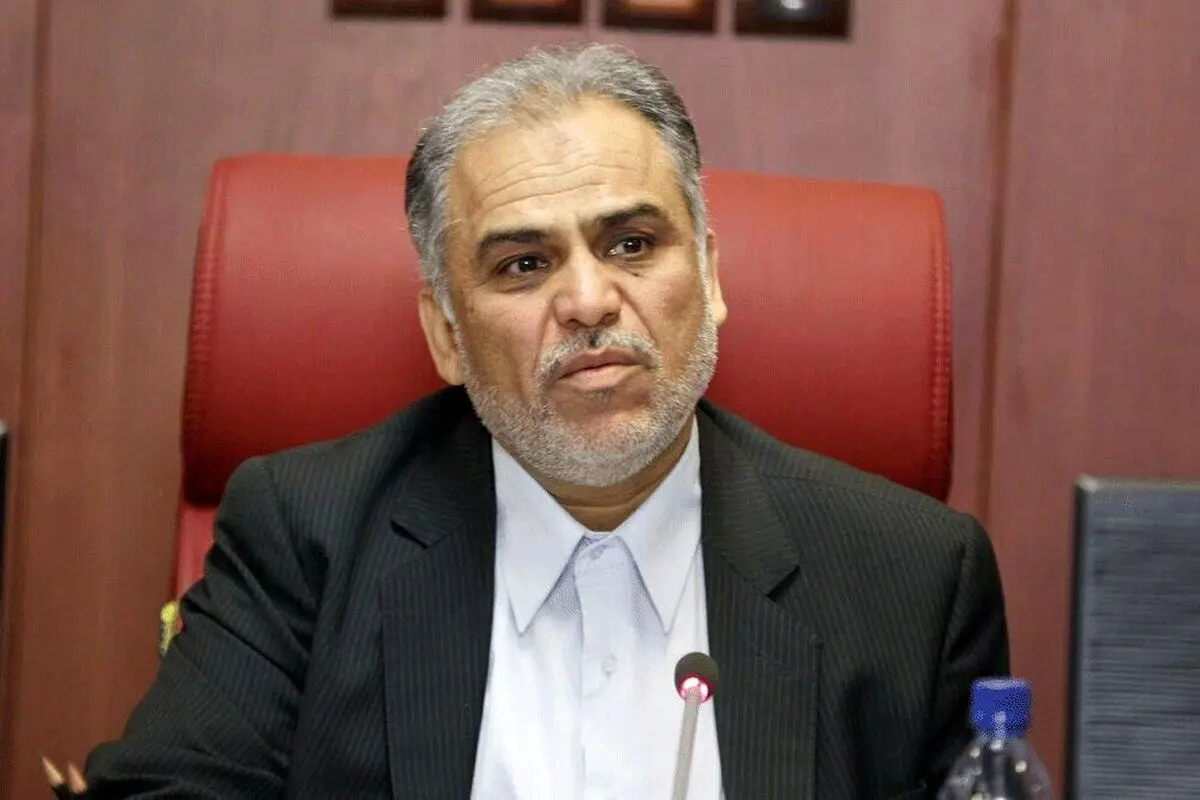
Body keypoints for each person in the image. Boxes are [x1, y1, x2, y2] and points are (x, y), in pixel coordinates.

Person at [83, 44, 1007, 798]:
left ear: (711, 278)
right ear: (447, 334)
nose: (589, 301)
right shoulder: (305, 539)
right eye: (523, 265)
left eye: (632, 244)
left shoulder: (914, 579)